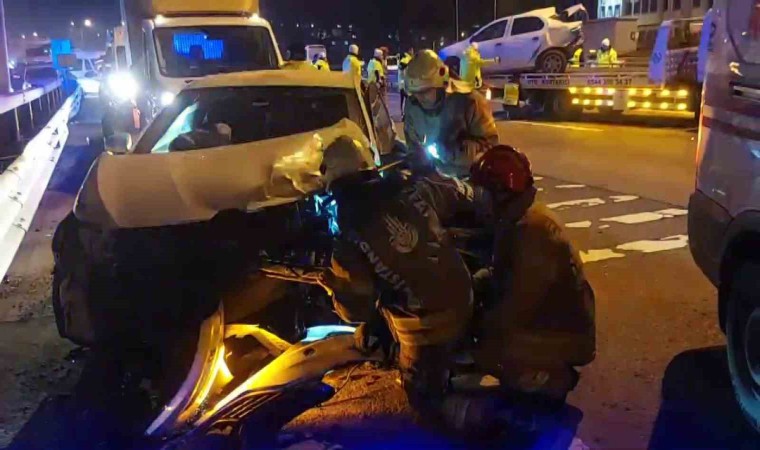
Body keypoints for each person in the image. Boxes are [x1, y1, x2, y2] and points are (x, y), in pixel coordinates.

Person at [319, 135, 478, 430]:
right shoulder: (408, 187)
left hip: (428, 324)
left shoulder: (348, 230)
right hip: (464, 295)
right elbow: (460, 198)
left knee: (423, 401)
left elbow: (357, 308)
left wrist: (333, 286)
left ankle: (482, 419)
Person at [468, 145, 596, 407]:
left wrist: (478, 324)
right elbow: (503, 273)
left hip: (565, 333)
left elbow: (521, 302)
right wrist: (475, 283)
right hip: (553, 319)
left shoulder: (532, 230)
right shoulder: (519, 217)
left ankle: (549, 379)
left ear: (500, 192)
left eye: (483, 192)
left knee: (487, 349)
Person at [403, 49, 499, 177]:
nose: (420, 98)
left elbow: (491, 147)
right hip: (432, 179)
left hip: (467, 179)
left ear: (440, 84)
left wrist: (453, 152)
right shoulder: (412, 105)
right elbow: (412, 143)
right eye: (415, 93)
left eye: (425, 91)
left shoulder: (470, 101)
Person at [398, 47, 414, 117]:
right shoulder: (406, 59)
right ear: (409, 51)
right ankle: (404, 114)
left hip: (404, 83)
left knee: (404, 99)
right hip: (404, 83)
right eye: (412, 50)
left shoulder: (407, 59)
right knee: (406, 99)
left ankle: (404, 114)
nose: (413, 52)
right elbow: (401, 67)